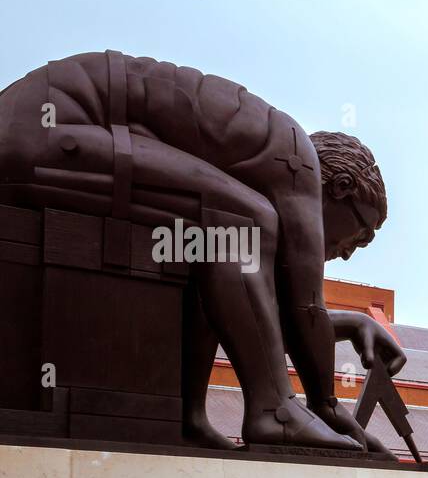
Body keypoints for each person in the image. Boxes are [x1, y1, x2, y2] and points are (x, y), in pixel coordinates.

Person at [0, 50, 403, 452]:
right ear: (342, 187)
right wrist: (326, 406)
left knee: (216, 249)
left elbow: (253, 307)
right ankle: (275, 412)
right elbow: (304, 308)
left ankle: (188, 416)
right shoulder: (297, 160)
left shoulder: (263, 157)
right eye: (360, 235)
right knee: (240, 222)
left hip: (49, 129)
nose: (349, 253)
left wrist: (348, 324)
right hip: (45, 128)